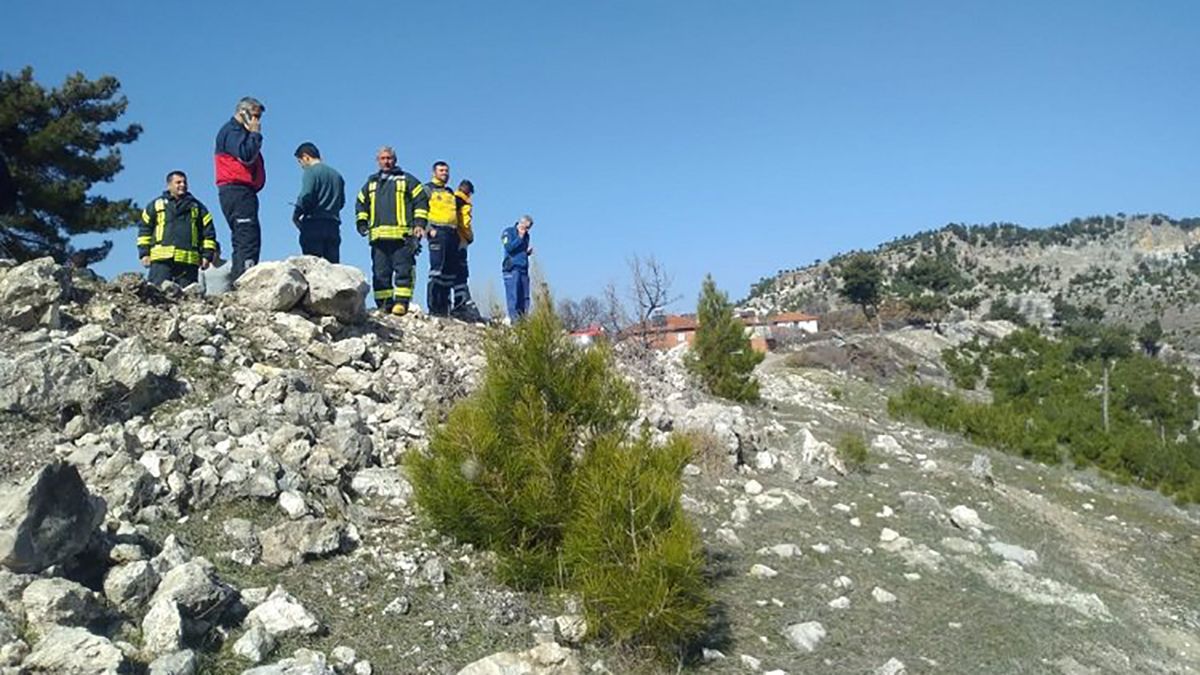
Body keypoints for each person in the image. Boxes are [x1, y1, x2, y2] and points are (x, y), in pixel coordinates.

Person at [354, 146, 429, 315]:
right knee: (380, 273)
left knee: (404, 270)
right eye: (383, 158)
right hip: (378, 237)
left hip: (402, 237)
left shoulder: (407, 180)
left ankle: (401, 303)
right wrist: (362, 223)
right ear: (378, 161)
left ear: (395, 160)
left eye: (389, 158)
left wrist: (419, 224)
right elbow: (360, 203)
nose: (386, 161)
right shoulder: (371, 184)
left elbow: (421, 201)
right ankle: (384, 305)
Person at [214, 96, 266, 281]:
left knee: (243, 237)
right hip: (237, 190)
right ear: (242, 112)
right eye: (254, 116)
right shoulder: (233, 132)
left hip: (241, 191)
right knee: (247, 238)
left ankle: (239, 279)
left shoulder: (237, 133)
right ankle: (245, 281)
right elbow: (246, 155)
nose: (256, 122)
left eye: (258, 118)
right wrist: (255, 134)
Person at [137, 171, 217, 286]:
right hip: (161, 261)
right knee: (158, 295)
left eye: (184, 182)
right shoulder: (155, 205)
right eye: (178, 182)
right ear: (169, 185)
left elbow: (208, 233)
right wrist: (144, 253)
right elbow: (144, 230)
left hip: (188, 262)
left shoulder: (198, 207)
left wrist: (207, 256)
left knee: (188, 299)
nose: (182, 185)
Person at [292, 142, 345, 263]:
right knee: (332, 269)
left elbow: (306, 195)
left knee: (313, 267)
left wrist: (296, 215)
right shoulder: (337, 175)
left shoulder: (311, 172)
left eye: (300, 162)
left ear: (306, 157)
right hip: (333, 226)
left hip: (313, 225)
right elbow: (341, 202)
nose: (301, 166)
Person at [424, 161, 461, 317]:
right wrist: (428, 229)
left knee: (449, 271)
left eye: (446, 170)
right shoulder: (428, 189)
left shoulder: (450, 192)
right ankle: (434, 308)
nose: (444, 173)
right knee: (437, 270)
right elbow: (419, 209)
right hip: (437, 232)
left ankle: (445, 308)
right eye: (441, 170)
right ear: (434, 173)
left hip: (452, 233)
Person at [451, 179, 481, 320]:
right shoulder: (460, 200)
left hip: (456, 239)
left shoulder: (454, 199)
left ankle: (458, 302)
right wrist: (468, 237)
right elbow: (462, 222)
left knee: (455, 272)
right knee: (460, 273)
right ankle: (460, 304)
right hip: (459, 239)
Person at [501, 215, 534, 320]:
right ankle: (514, 322)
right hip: (512, 268)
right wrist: (519, 237)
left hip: (524, 269)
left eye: (529, 228)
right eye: (526, 227)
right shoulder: (508, 232)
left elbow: (520, 251)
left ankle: (523, 320)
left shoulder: (527, 236)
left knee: (524, 297)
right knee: (513, 296)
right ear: (521, 223)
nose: (527, 230)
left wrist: (526, 252)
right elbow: (509, 247)